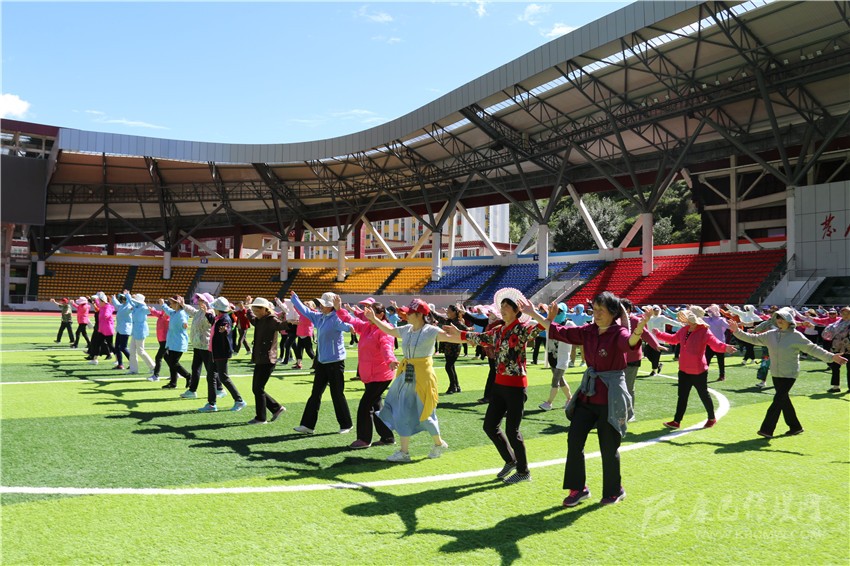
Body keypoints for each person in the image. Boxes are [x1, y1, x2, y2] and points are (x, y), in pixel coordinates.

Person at [530, 291, 649, 507]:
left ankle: (615, 490)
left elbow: (630, 342)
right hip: (588, 396)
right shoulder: (588, 330)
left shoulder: (619, 332)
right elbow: (558, 331)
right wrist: (533, 314)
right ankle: (578, 489)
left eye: (601, 310)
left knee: (608, 447)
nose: (597, 314)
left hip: (611, 398)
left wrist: (640, 327)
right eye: (594, 310)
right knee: (574, 441)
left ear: (613, 312)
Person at [443, 288, 546, 484]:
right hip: (499, 386)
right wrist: (460, 333)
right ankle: (511, 461)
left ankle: (524, 471)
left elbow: (542, 327)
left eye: (508, 306)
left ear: (517, 311)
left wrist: (538, 314)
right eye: (502, 306)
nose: (503, 309)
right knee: (490, 426)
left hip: (516, 387)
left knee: (512, 431)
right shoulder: (498, 330)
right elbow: (480, 338)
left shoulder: (522, 329)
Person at [730, 308, 847, 437]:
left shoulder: (796, 336)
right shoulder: (770, 334)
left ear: (789, 320)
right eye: (778, 318)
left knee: (777, 401)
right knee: (783, 400)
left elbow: (813, 349)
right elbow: (753, 338)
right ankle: (795, 427)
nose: (779, 320)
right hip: (775, 373)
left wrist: (832, 357)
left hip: (789, 374)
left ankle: (766, 430)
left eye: (782, 318)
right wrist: (737, 331)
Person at [363, 298, 452, 462]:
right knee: (402, 411)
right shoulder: (407, 329)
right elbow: (389, 330)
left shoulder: (431, 330)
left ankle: (439, 443)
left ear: (419, 315)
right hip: (406, 376)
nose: (406, 315)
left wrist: (470, 337)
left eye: (410, 313)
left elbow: (451, 337)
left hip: (424, 377)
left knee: (426, 415)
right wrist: (374, 319)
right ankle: (404, 452)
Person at [653, 306, 737, 430]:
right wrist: (658, 334)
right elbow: (673, 339)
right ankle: (676, 421)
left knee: (703, 395)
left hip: (698, 371)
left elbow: (715, 344)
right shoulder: (684, 329)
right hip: (683, 369)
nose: (687, 319)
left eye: (689, 317)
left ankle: (711, 418)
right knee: (682, 396)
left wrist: (725, 347)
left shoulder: (704, 331)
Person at [334, 295, 397, 448]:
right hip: (370, 375)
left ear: (380, 315)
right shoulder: (367, 326)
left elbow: (387, 347)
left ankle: (364, 439)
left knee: (365, 406)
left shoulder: (384, 329)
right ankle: (387, 437)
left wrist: (390, 360)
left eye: (371, 311)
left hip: (381, 375)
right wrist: (339, 309)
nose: (366, 313)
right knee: (376, 406)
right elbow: (351, 320)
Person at [289, 291, 354, 434]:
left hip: (335, 362)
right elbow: (305, 311)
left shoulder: (336, 318)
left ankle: (346, 425)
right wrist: (295, 299)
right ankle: (307, 425)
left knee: (337, 394)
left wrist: (343, 314)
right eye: (320, 304)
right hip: (322, 362)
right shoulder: (319, 317)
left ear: (331, 306)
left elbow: (349, 326)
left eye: (324, 304)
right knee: (315, 393)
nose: (320, 306)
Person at [242, 296, 288, 424]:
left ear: (265, 309)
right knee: (257, 388)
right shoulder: (260, 319)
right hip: (261, 359)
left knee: (258, 388)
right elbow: (251, 318)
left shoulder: (271, 319)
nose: (255, 313)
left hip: (268, 359)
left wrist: (291, 321)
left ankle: (261, 417)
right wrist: (248, 307)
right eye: (254, 310)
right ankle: (276, 408)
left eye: (257, 310)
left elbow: (281, 325)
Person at [198, 297, 247, 413]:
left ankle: (239, 400)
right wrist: (206, 312)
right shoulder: (218, 318)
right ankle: (211, 404)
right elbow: (213, 321)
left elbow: (226, 328)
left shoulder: (224, 319)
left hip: (221, 352)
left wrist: (224, 330)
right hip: (214, 352)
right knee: (211, 377)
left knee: (223, 377)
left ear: (218, 309)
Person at [620, 298, 662, 415]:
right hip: (618, 359)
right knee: (616, 387)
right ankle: (619, 411)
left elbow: (646, 334)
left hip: (632, 359)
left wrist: (656, 345)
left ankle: (629, 413)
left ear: (628, 309)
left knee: (628, 387)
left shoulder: (635, 320)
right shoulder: (616, 321)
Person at [180, 293, 217, 400]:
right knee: (195, 368)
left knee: (210, 370)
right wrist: (183, 305)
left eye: (202, 300)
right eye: (199, 300)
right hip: (198, 345)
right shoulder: (200, 311)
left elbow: (210, 322)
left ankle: (219, 388)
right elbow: (193, 311)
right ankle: (192, 390)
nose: (200, 302)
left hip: (205, 345)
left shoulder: (210, 312)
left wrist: (206, 312)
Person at [539, 303, 573, 411]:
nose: (557, 313)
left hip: (562, 358)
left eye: (560, 311)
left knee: (555, 380)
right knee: (560, 379)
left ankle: (549, 403)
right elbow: (537, 322)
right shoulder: (550, 322)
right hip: (552, 356)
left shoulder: (569, 324)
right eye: (556, 311)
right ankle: (570, 399)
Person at [159, 296, 192, 390]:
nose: (170, 304)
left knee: (173, 362)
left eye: (172, 302)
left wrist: (184, 325)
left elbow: (184, 322)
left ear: (177, 304)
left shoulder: (181, 314)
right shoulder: (174, 313)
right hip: (173, 342)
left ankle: (188, 376)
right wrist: (163, 305)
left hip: (179, 342)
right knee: (169, 359)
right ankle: (173, 382)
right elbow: (168, 310)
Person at [440, 304, 467, 394]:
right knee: (451, 366)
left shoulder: (457, 322)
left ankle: (452, 386)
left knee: (448, 366)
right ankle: (457, 386)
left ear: (454, 312)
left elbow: (465, 329)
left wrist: (469, 329)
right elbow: (438, 317)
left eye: (449, 311)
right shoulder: (448, 321)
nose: (447, 312)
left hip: (455, 347)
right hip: (448, 347)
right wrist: (430, 311)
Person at [823, 306, 850, 393]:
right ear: (840, 314)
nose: (845, 315)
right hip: (837, 349)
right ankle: (835, 387)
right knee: (835, 368)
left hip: (848, 349)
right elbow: (827, 333)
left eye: (848, 313)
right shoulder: (836, 324)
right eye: (843, 313)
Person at [126, 293, 155, 376]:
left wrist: (151, 309)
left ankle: (153, 367)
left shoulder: (142, 308)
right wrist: (127, 295)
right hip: (135, 331)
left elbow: (150, 310)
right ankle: (133, 370)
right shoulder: (136, 306)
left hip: (140, 331)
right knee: (132, 351)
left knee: (140, 351)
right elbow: (131, 302)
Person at [704, 304, 731, 381]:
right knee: (707, 360)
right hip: (710, 343)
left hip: (719, 343)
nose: (709, 312)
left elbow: (728, 326)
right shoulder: (706, 319)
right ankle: (704, 375)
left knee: (720, 360)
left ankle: (722, 375)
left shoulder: (721, 319)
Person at [147, 304, 171, 382]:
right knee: (167, 357)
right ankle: (175, 373)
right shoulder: (162, 314)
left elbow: (165, 316)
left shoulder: (168, 315)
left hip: (165, 340)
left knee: (158, 357)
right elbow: (157, 313)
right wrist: (151, 310)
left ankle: (156, 375)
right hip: (161, 339)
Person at [111, 292, 133, 370]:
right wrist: (114, 298)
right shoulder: (122, 306)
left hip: (125, 330)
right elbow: (117, 304)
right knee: (117, 347)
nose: (121, 299)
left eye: (122, 298)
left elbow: (132, 307)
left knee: (123, 348)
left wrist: (129, 297)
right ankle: (120, 364)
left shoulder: (129, 306)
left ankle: (133, 363)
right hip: (120, 329)